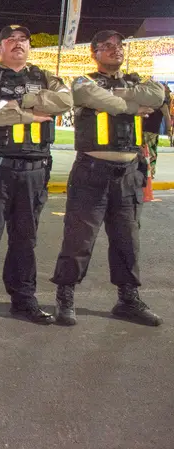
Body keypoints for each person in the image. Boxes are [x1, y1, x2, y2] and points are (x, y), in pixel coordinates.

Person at [0, 25, 73, 326]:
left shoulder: (45, 76)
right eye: (10, 40)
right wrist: (31, 113)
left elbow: (66, 101)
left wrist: (18, 102)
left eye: (23, 39)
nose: (17, 43)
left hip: (34, 171)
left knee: (25, 240)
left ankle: (23, 299)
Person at [50, 30, 164, 326]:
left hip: (129, 174)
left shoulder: (137, 80)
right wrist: (132, 104)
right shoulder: (83, 82)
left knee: (128, 240)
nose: (116, 50)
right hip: (91, 172)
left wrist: (115, 97)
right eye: (108, 46)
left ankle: (128, 299)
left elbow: (157, 95)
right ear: (94, 53)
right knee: (78, 239)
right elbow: (88, 95)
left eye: (119, 45)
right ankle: (65, 296)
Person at [141, 83, 171, 179]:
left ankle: (148, 172)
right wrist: (169, 130)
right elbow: (167, 117)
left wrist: (169, 130)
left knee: (148, 152)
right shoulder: (160, 103)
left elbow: (167, 117)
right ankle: (149, 172)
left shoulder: (152, 101)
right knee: (149, 152)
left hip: (148, 130)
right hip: (150, 131)